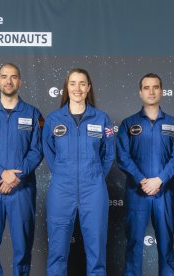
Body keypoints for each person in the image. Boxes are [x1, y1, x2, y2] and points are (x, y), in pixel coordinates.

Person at [0, 63, 43, 275]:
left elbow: (37, 150)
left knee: (22, 247)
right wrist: (3, 173)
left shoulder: (34, 114)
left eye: (13, 77)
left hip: (22, 188)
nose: (8, 81)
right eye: (4, 76)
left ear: (20, 81)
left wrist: (15, 175)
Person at [42, 68, 115, 275]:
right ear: (67, 87)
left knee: (96, 252)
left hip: (93, 190)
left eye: (82, 83)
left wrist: (95, 176)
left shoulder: (101, 119)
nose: (77, 88)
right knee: (57, 252)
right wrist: (62, 173)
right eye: (73, 83)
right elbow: (49, 151)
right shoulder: (54, 119)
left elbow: (108, 154)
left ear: (88, 88)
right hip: (61, 189)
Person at [116, 73, 174, 276]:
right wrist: (141, 180)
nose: (152, 91)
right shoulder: (128, 124)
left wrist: (160, 179)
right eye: (147, 87)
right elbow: (122, 156)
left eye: (156, 87)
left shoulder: (173, 124)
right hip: (136, 192)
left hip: (164, 192)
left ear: (162, 91)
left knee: (166, 246)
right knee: (134, 245)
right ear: (140, 92)